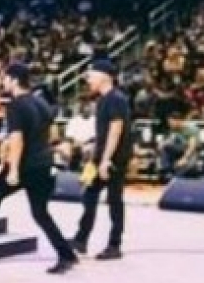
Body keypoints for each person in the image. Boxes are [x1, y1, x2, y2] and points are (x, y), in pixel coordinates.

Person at [0, 64, 77, 275]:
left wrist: (13, 169)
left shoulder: (16, 105)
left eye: (5, 78)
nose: (3, 82)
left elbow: (17, 139)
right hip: (44, 163)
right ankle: (66, 254)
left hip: (26, 165)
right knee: (41, 213)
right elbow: (51, 134)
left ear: (14, 80)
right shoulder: (41, 103)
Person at [69, 59, 130, 261]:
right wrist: (93, 159)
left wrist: (105, 160)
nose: (88, 80)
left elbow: (115, 131)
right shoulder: (103, 100)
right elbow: (102, 134)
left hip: (114, 159)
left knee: (114, 200)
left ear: (104, 76)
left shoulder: (116, 99)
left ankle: (114, 244)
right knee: (89, 194)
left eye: (91, 75)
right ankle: (81, 239)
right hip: (100, 158)